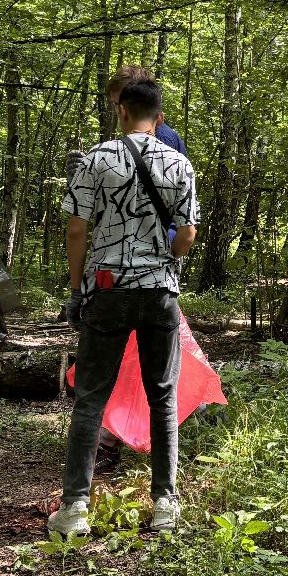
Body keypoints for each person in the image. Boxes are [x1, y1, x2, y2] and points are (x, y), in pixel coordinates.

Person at [49, 77, 198, 537]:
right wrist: (159, 261)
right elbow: (187, 237)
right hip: (159, 293)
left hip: (108, 288)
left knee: (91, 397)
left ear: (122, 112)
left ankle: (74, 508)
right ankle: (165, 505)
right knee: (163, 397)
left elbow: (77, 230)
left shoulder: (96, 159)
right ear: (161, 117)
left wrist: (79, 289)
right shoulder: (179, 164)